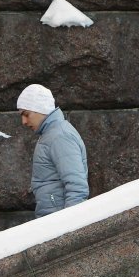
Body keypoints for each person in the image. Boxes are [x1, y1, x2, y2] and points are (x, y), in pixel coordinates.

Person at [17, 84, 89, 218]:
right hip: (54, 221)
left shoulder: (59, 136)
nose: (24, 121)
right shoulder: (52, 134)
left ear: (40, 109)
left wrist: (70, 227)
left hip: (59, 223)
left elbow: (77, 187)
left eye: (26, 114)